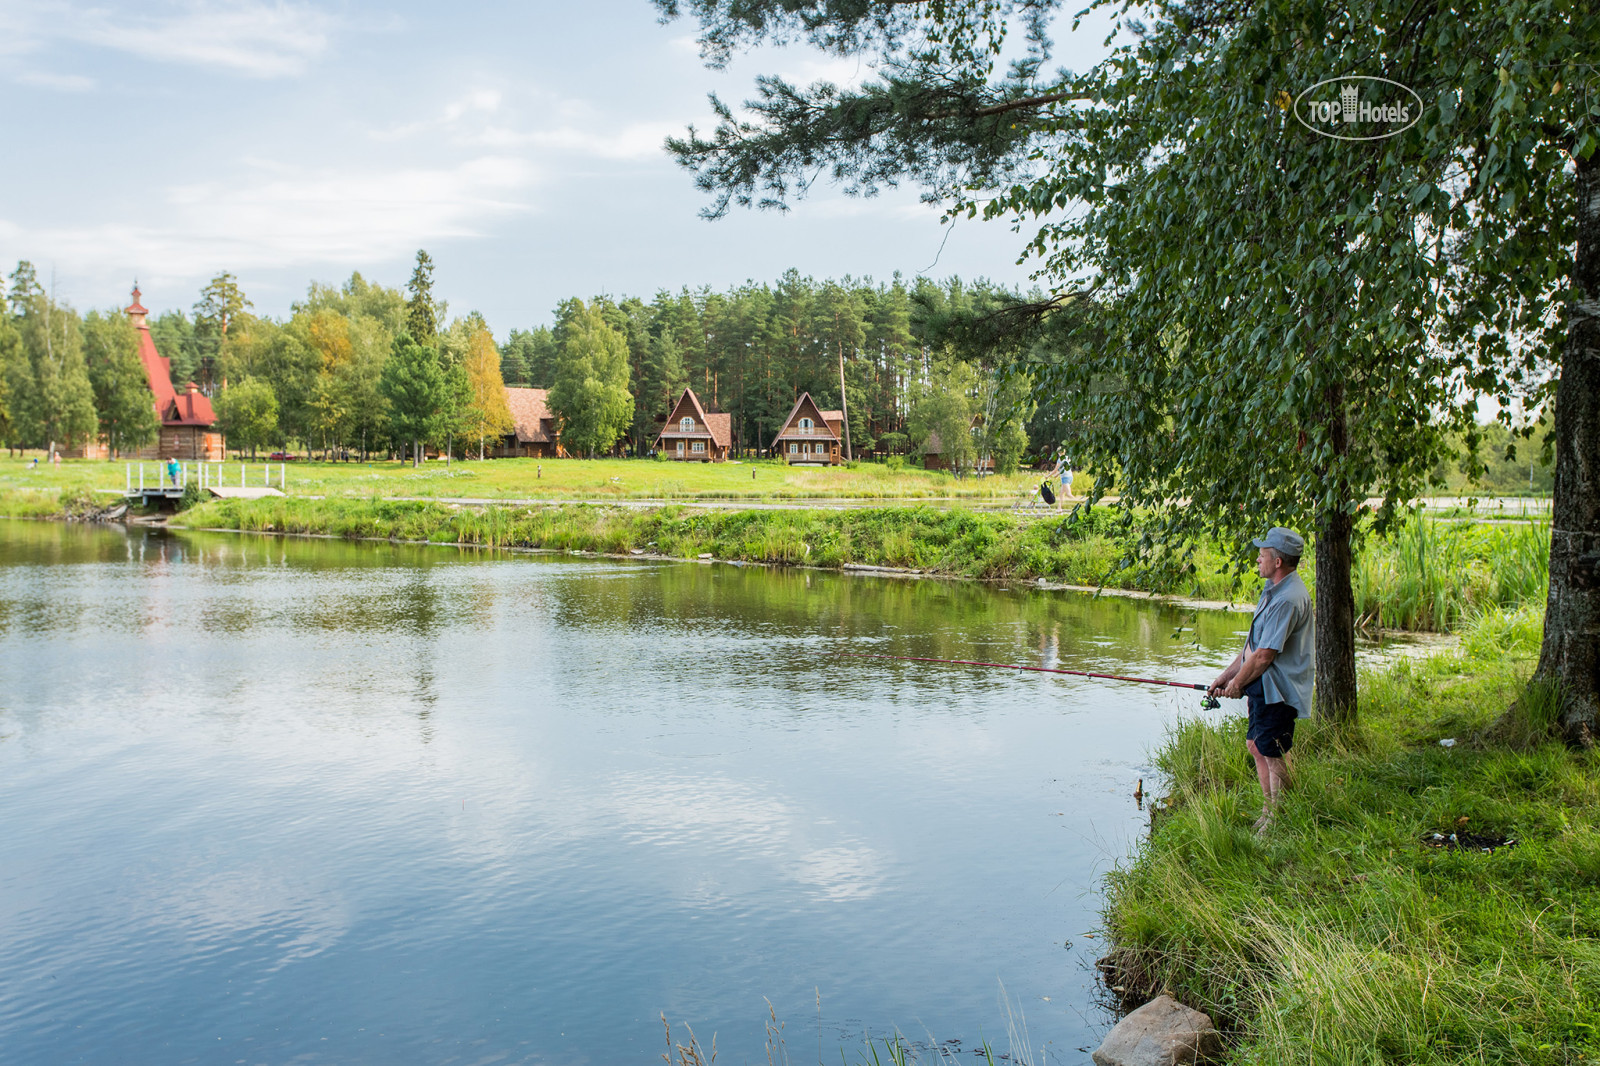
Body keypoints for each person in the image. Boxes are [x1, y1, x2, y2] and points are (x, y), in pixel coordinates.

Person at [1208, 527, 1315, 832]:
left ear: (1278, 561)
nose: (1257, 559)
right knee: (1257, 746)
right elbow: (1251, 650)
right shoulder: (1273, 590)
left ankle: (1280, 818)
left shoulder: (1287, 599)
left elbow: (1264, 656)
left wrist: (1237, 685)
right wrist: (1225, 679)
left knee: (1273, 751)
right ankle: (1271, 811)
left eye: (1262, 554)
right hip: (1264, 687)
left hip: (1279, 690)